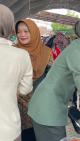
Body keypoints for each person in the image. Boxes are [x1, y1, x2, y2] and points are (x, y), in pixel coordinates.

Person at [0, 4, 33, 141]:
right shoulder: (21, 55)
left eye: (27, 31)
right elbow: (25, 89)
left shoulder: (45, 53)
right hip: (9, 127)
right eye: (19, 31)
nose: (22, 35)